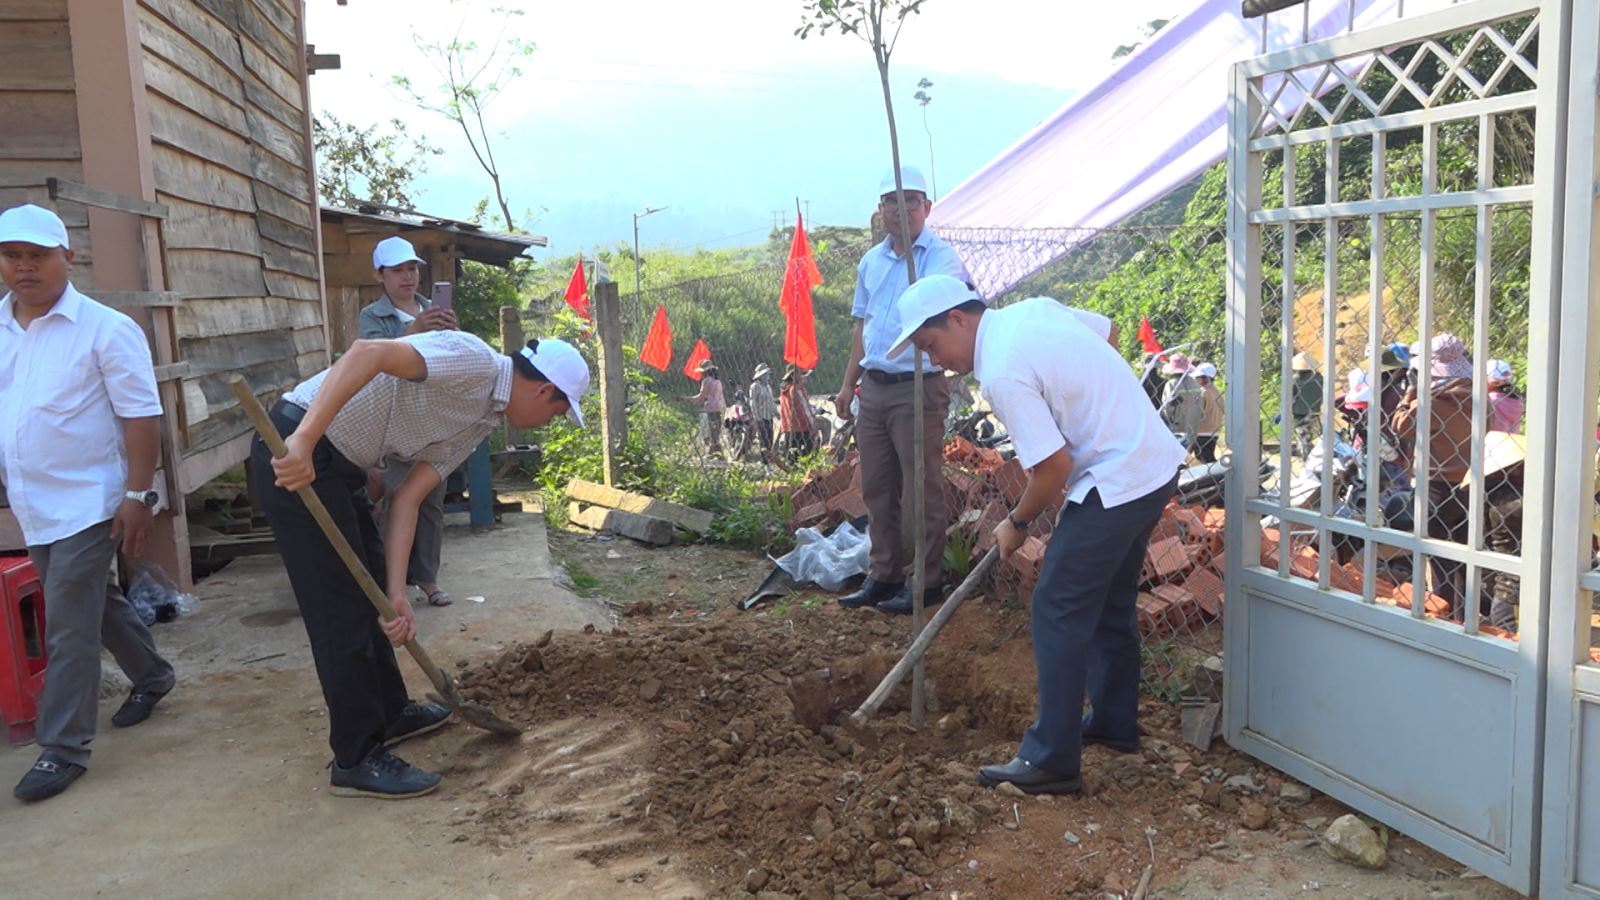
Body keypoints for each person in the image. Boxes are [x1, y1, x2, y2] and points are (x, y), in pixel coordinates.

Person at [253, 332, 589, 799]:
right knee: (341, 613)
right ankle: (355, 758)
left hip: (340, 468)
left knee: (371, 598)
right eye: (557, 411)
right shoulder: (475, 364)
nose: (550, 422)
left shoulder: (480, 421)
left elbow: (408, 497)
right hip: (298, 452)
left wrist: (396, 594)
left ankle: (391, 712)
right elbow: (368, 353)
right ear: (543, 390)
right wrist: (303, 441)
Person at [891, 275, 1185, 795]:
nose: (934, 360)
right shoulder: (1030, 312)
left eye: (931, 345)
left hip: (1118, 475)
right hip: (1152, 461)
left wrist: (1016, 523)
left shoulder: (1001, 370)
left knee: (1056, 605)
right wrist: (1093, 406)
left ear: (959, 318)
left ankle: (1052, 758)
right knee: (1110, 603)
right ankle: (1115, 725)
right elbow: (1108, 333)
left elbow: (1051, 470)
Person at [0, 204, 177, 802]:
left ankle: (63, 747)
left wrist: (136, 493)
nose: (24, 268)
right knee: (92, 603)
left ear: (66, 258)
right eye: (11, 256)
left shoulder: (105, 328)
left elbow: (140, 414)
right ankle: (153, 675)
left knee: (67, 624)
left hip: (90, 499)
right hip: (33, 501)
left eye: (37, 256)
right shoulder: (0, 327)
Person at [835, 165, 971, 616]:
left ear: (927, 207)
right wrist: (847, 385)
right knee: (876, 487)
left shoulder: (941, 259)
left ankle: (927, 581)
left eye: (911, 200)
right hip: (873, 387)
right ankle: (883, 573)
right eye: (892, 201)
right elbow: (864, 326)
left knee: (920, 489)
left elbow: (949, 313)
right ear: (881, 210)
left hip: (917, 386)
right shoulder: (871, 263)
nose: (901, 209)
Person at [358, 236, 460, 608]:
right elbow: (375, 360)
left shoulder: (432, 308)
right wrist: (415, 330)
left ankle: (428, 578)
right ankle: (389, 583)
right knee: (396, 496)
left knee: (432, 499)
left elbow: (451, 356)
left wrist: (450, 329)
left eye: (412, 269)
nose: (407, 277)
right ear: (379, 276)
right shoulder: (373, 317)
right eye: (397, 270)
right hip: (395, 418)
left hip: (432, 415)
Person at [1392, 333, 1475, 621]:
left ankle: (1443, 614)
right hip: (1469, 484)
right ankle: (1465, 617)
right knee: (1466, 556)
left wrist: (1409, 395)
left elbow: (1401, 425)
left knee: (1439, 558)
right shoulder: (1479, 400)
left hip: (1435, 484)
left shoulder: (1432, 402)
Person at [1158, 353, 1203, 449]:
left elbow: (1167, 408)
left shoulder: (1171, 384)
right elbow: (1201, 404)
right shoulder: (1194, 383)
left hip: (1177, 427)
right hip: (1193, 425)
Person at [684, 361, 726, 459]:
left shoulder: (706, 381)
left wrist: (687, 399)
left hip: (711, 409)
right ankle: (717, 452)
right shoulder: (718, 381)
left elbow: (700, 397)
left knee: (712, 431)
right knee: (716, 432)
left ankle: (712, 452)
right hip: (720, 408)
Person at [1290, 352, 1325, 457]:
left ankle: (1305, 455)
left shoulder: (1295, 379)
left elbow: (1291, 395)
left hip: (1299, 411)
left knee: (1302, 435)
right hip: (1314, 410)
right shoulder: (1320, 378)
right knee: (1310, 433)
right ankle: (1308, 452)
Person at [779, 366, 816, 461]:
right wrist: (812, 425)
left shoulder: (785, 389)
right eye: (802, 374)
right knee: (808, 454)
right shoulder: (797, 390)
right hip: (802, 426)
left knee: (791, 455)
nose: (805, 377)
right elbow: (805, 409)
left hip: (789, 427)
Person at [1193, 362, 1224, 463]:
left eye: (1197, 377)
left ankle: (1218, 477)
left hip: (1202, 431)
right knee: (1208, 456)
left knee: (1203, 458)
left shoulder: (1202, 392)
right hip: (1215, 430)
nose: (1196, 380)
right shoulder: (1216, 391)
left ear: (1205, 378)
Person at [1485, 359, 1525, 434]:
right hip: (1512, 443)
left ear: (1494, 382)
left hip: (1491, 442)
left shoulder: (1491, 401)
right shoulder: (1515, 400)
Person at [747, 364, 778, 459]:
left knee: (770, 438)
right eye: (766, 374)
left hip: (769, 416)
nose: (767, 376)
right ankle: (765, 462)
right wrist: (757, 417)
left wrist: (776, 412)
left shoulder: (768, 386)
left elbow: (771, 401)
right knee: (763, 440)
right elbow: (753, 402)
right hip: (761, 417)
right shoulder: (755, 386)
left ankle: (769, 458)